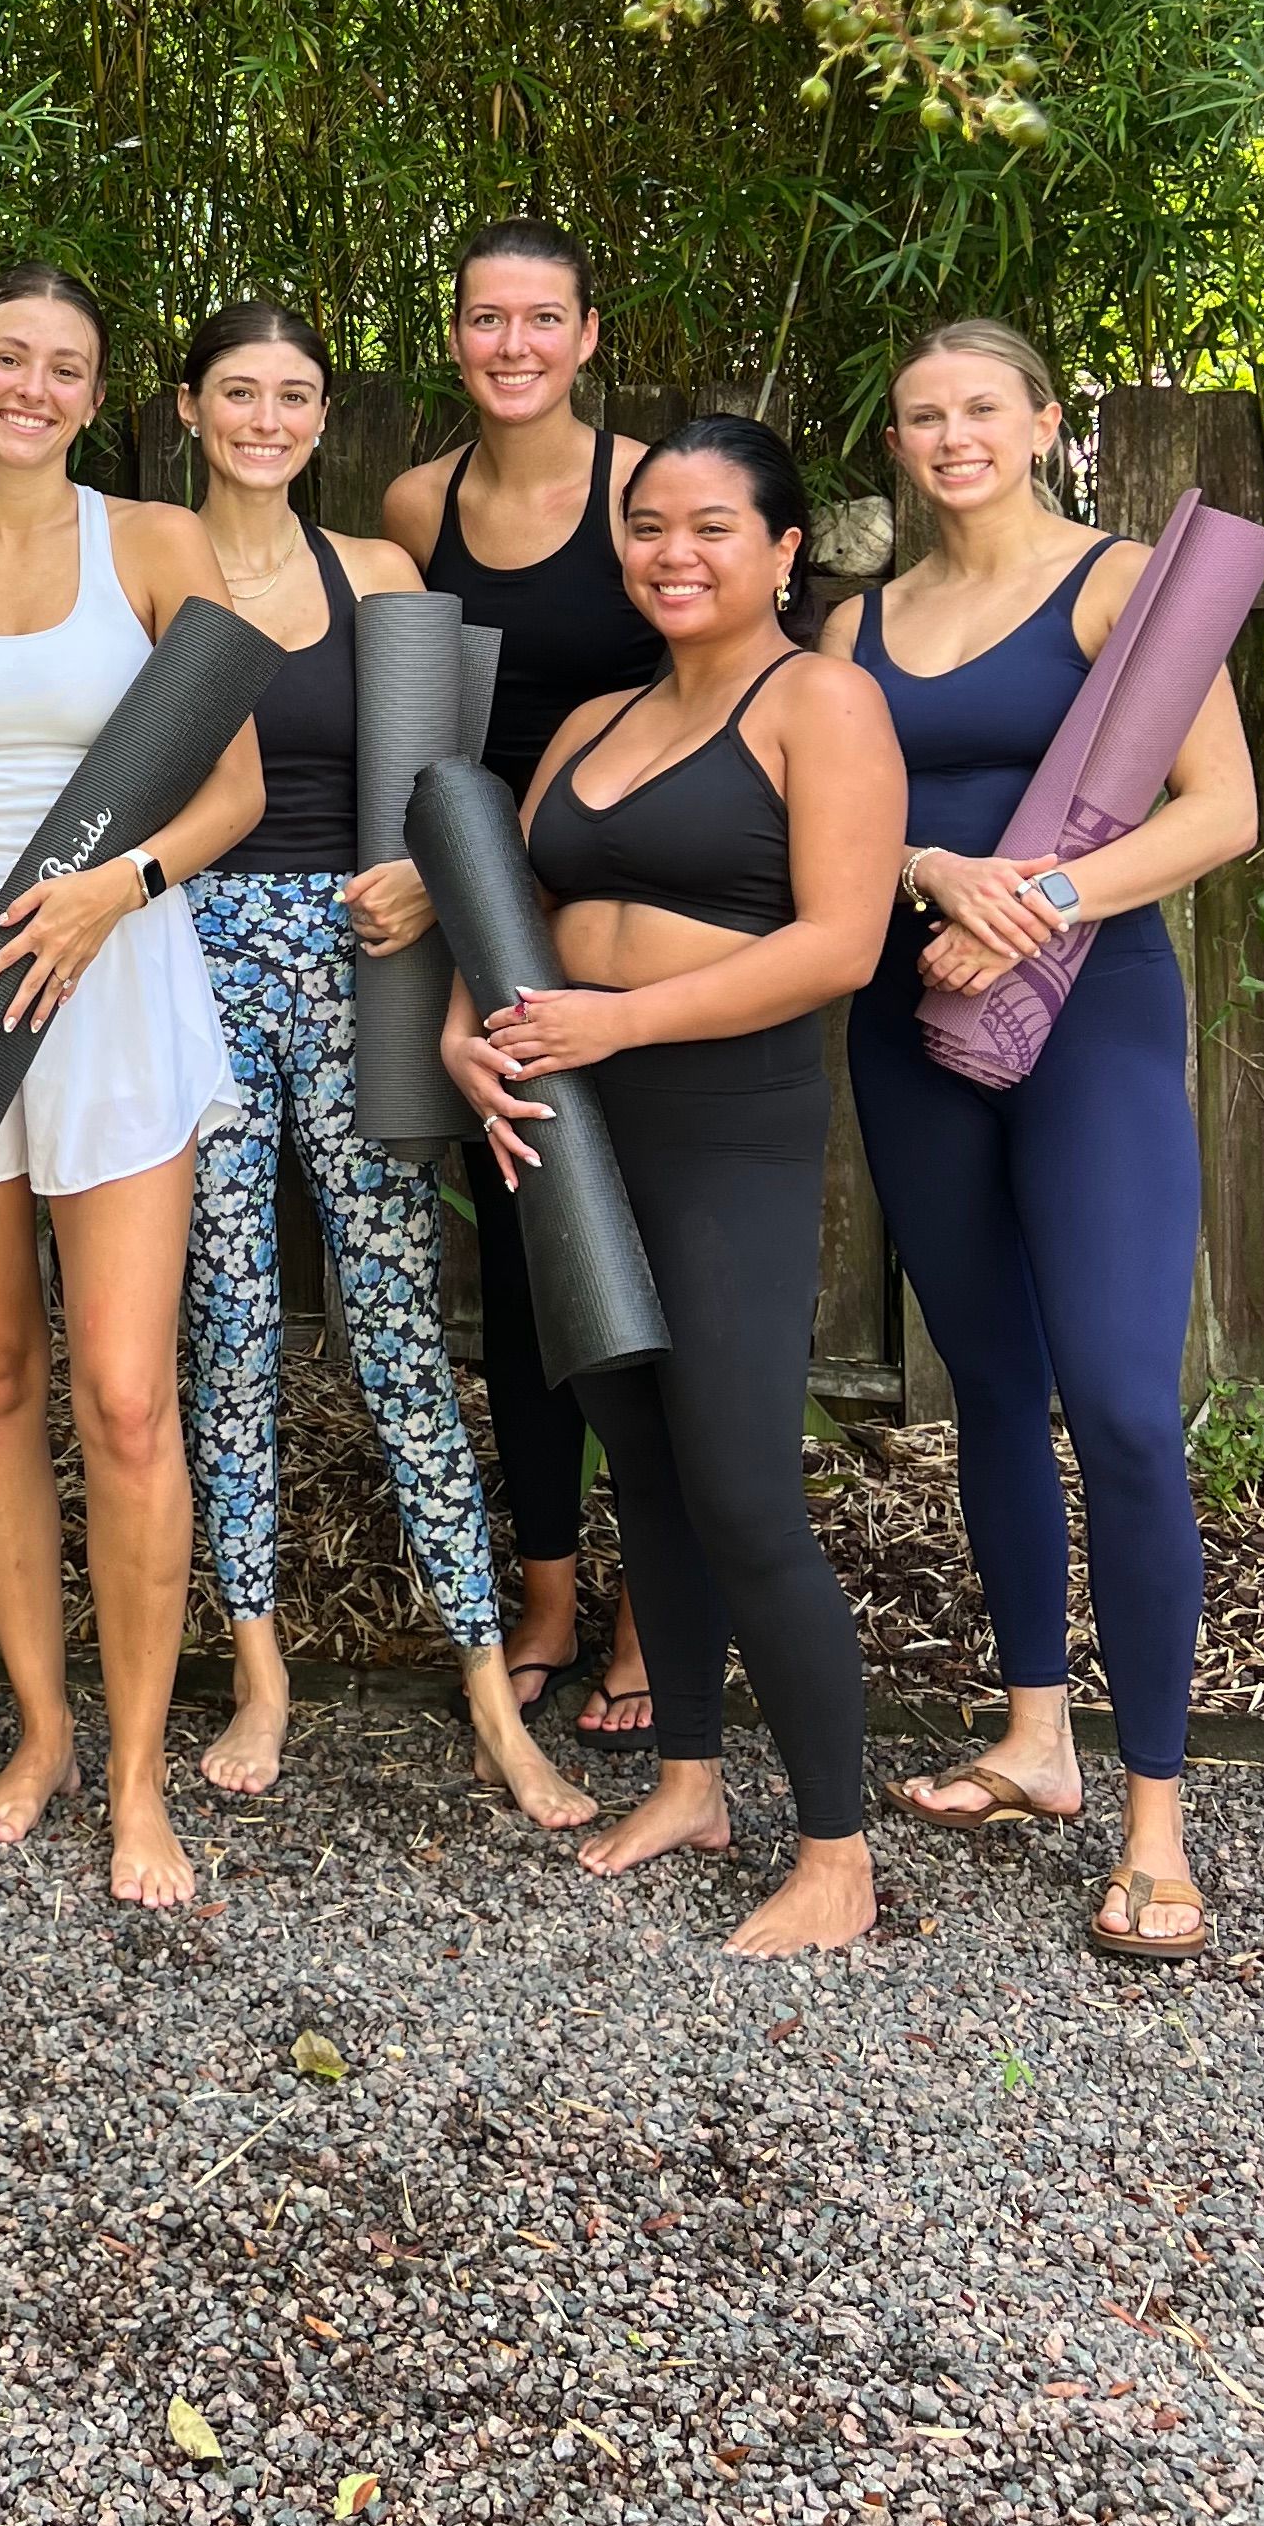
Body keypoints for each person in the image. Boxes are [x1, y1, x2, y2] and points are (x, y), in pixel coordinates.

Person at [827, 321, 1260, 1964]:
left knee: (1127, 1409)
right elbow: (829, 821)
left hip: (1094, 1019)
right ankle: (1034, 1736)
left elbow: (1223, 812)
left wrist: (1042, 902)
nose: (953, 439)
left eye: (982, 411)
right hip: (908, 1013)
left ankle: (1157, 1815)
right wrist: (939, 872)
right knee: (989, 1387)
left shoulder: (1120, 585)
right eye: (923, 414)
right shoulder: (858, 621)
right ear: (898, 437)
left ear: (1045, 422)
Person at [0, 262, 264, 1910]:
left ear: (98, 395)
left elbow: (228, 788)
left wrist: (119, 887)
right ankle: (40, 1732)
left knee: (127, 1396)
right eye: (6, 357)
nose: (31, 385)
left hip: (110, 972)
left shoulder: (155, 544)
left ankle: (144, 1776)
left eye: (65, 366)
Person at [448, 416, 904, 1958]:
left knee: (739, 1482)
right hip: (574, 1118)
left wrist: (619, 1018)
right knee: (636, 1457)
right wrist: (467, 1037)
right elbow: (506, 903)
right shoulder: (586, 723)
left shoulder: (822, 702)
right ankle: (694, 1781)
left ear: (783, 552)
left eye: (714, 526)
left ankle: (835, 1849)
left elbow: (839, 945)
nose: (674, 552)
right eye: (648, 526)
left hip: (726, 1122)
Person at [173, 302, 594, 1829]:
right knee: (223, 1330)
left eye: (293, 395)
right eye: (239, 393)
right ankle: (259, 1668)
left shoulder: (382, 574)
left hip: (361, 967)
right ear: (188, 407)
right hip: (187, 966)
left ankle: (491, 1692)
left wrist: (429, 869)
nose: (266, 420)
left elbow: (443, 773)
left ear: (321, 416)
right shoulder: (146, 562)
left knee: (402, 1329)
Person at [372, 217, 656, 1740]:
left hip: (641, 897)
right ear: (458, 333)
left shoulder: (645, 493)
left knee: (658, 1250)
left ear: (587, 335)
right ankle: (546, 1579)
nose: (514, 347)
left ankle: (653, 1597)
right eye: (488, 320)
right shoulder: (422, 502)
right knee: (529, 1279)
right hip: (486, 907)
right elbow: (414, 721)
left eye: (543, 320)